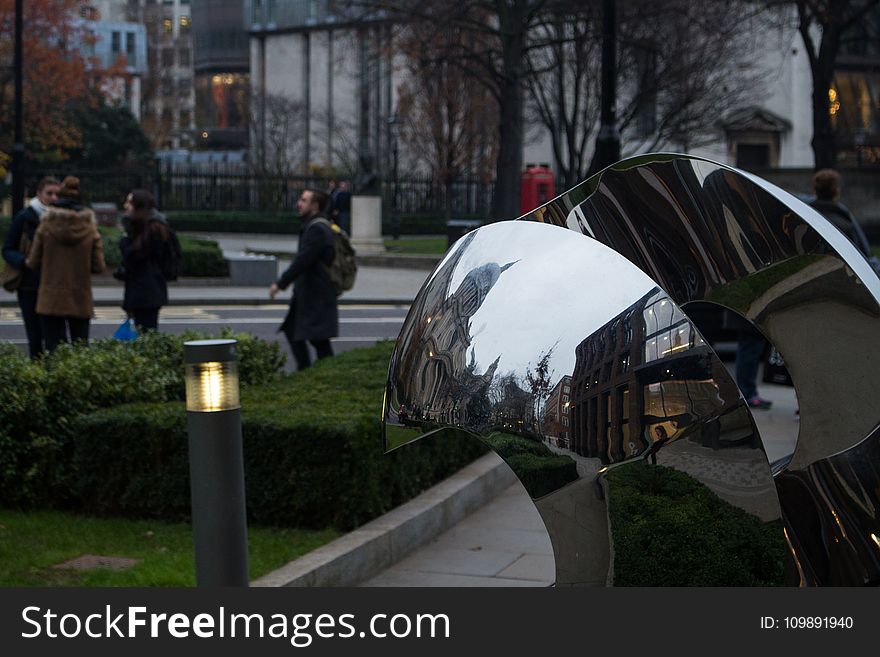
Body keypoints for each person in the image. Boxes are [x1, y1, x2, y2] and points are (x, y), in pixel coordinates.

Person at [25, 176, 105, 351]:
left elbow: (32, 262)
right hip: (80, 296)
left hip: (50, 296)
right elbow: (99, 266)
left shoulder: (45, 225)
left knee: (53, 348)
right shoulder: (89, 228)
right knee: (80, 348)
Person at [269, 188, 338, 370]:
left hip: (316, 294)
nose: (299, 203)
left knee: (319, 340)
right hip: (310, 293)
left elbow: (303, 260)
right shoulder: (315, 226)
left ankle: (319, 373)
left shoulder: (317, 229)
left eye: (304, 200)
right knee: (298, 332)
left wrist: (280, 283)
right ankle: (307, 370)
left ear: (315, 205)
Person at [2, 176, 60, 357]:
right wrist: (23, 262)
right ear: (39, 194)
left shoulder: (61, 217)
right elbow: (8, 249)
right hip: (29, 284)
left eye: (57, 194)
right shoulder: (25, 218)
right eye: (49, 193)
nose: (53, 198)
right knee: (34, 334)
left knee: (54, 334)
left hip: (53, 284)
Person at [117, 189, 170, 331]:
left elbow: (134, 255)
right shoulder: (144, 227)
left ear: (139, 206)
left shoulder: (152, 229)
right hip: (144, 291)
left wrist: (125, 239)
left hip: (147, 293)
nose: (125, 205)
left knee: (147, 334)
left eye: (129, 202)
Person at [808, 168, 878, 271]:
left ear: (815, 191)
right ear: (836, 191)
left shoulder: (807, 217)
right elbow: (861, 256)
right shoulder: (844, 223)